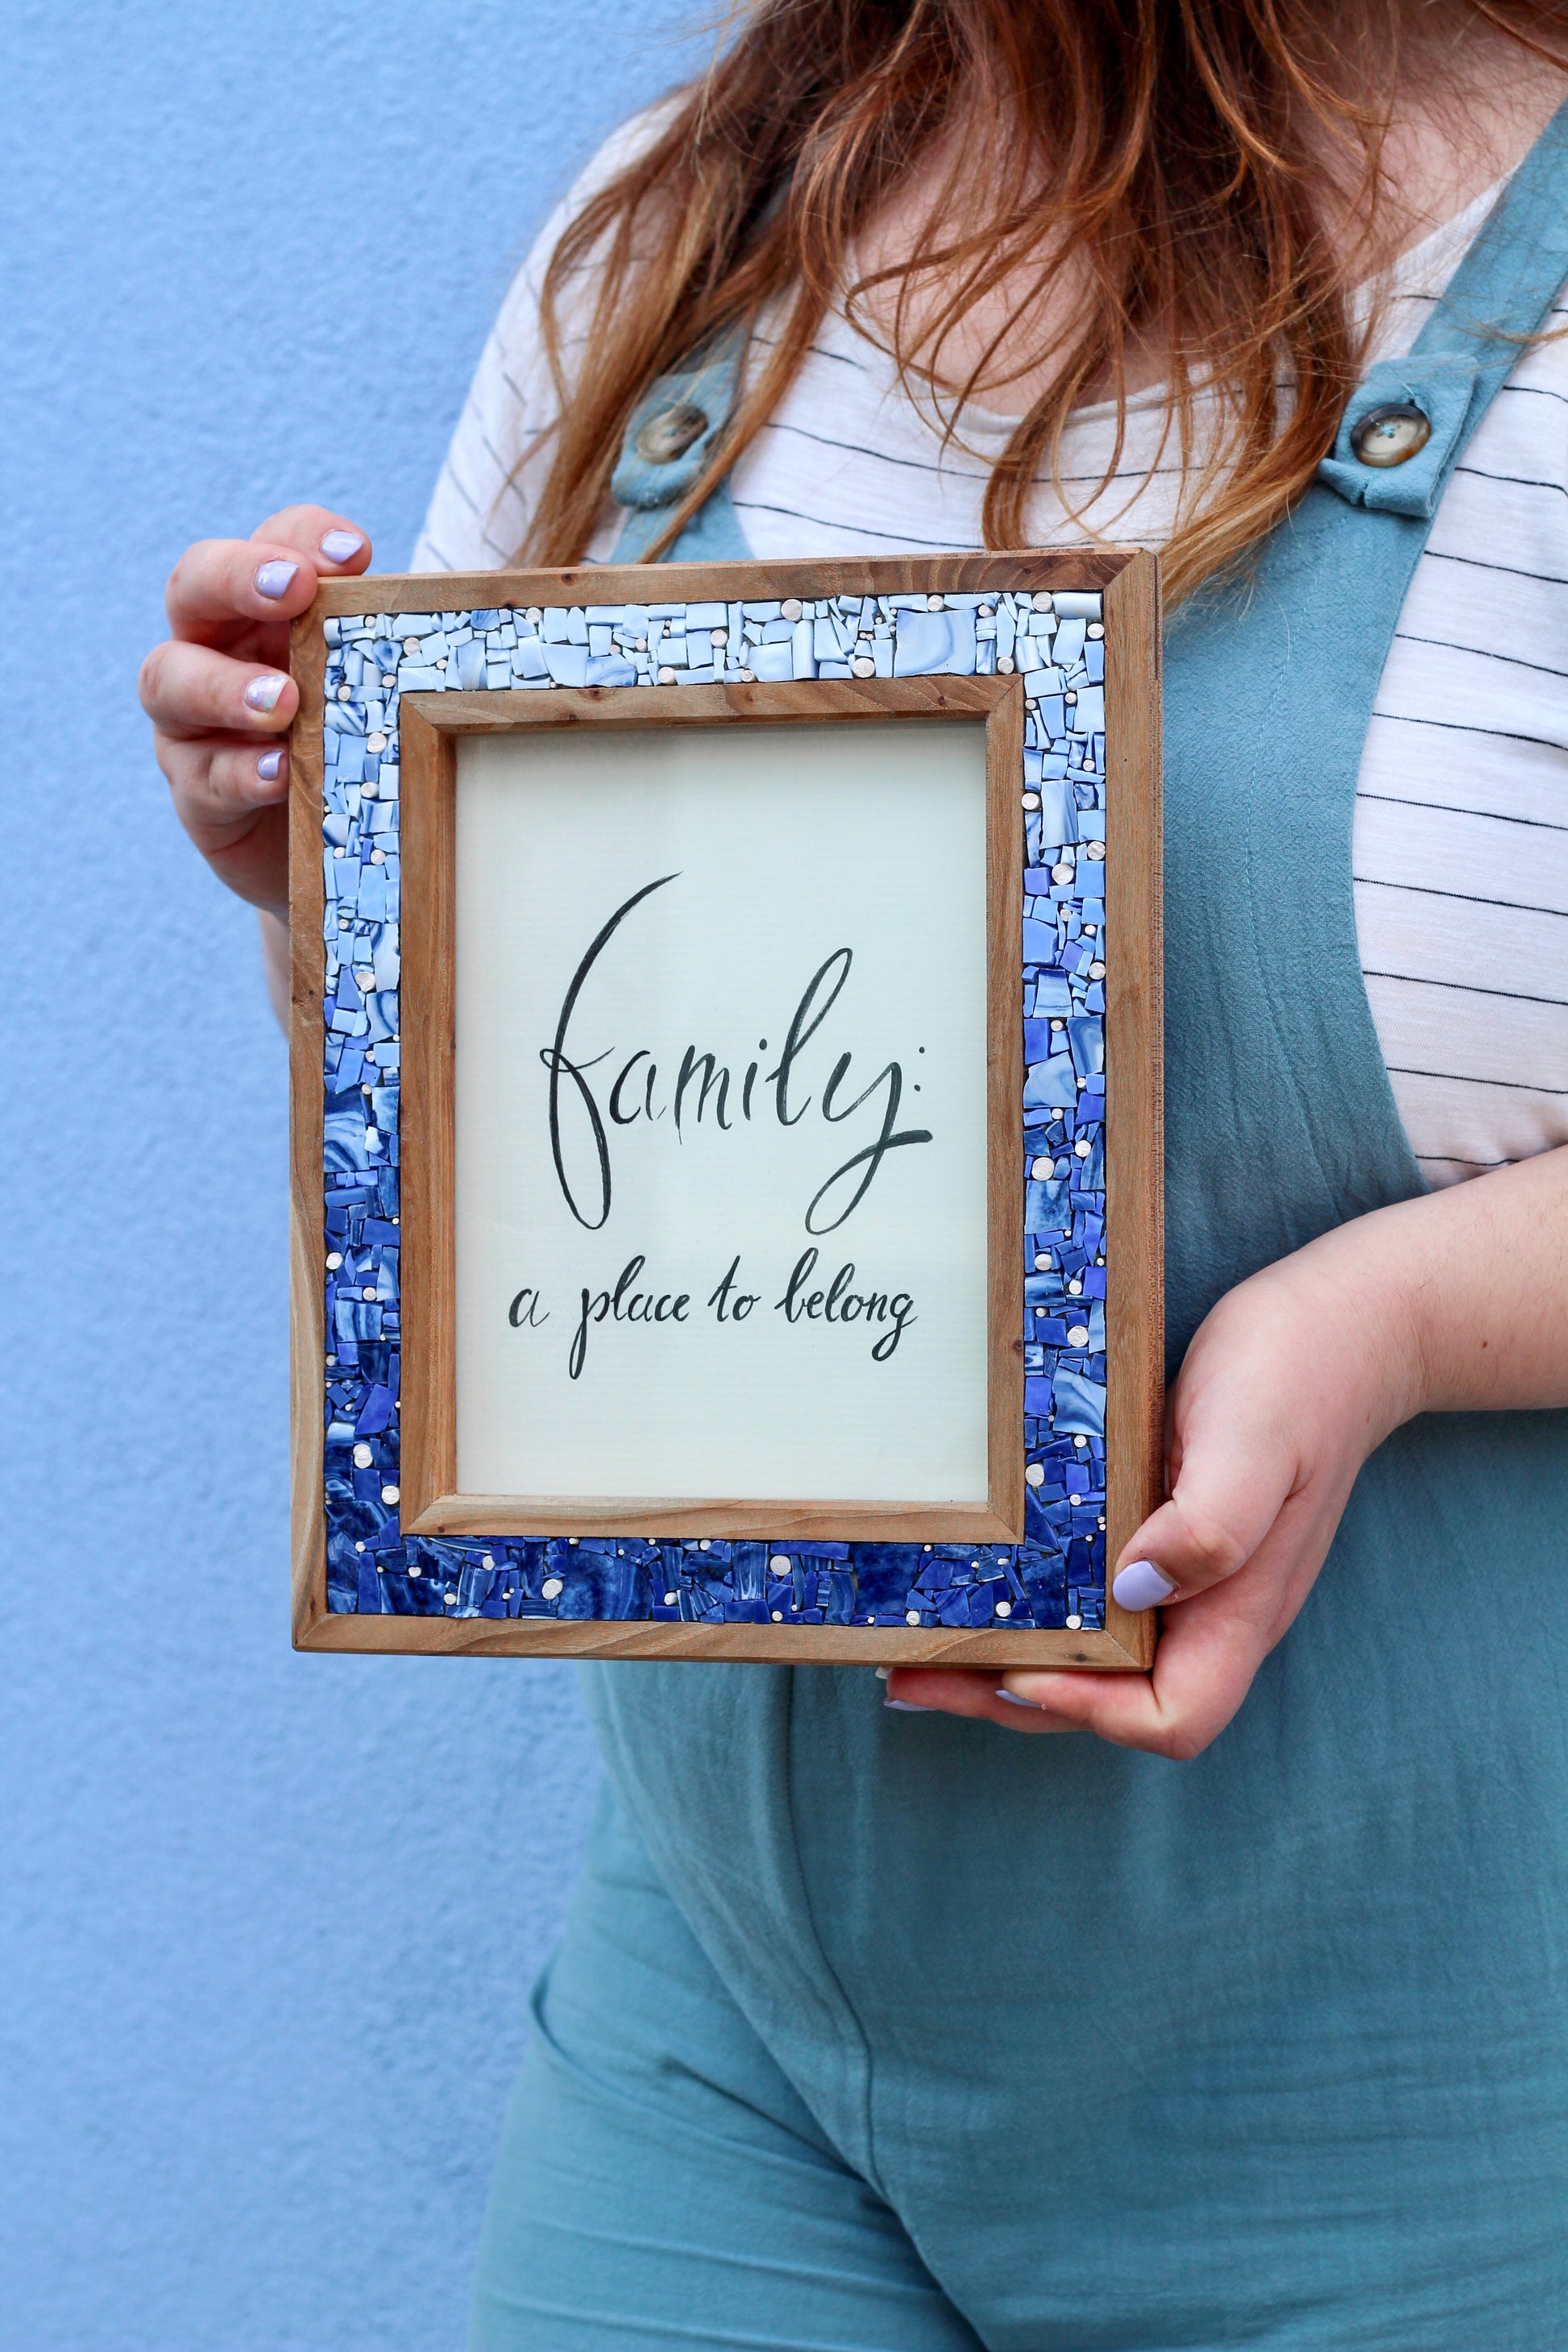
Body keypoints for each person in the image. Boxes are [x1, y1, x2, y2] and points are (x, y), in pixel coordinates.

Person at [141, 4, 1568, 2342]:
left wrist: (1384, 1324)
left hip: (1459, 2098)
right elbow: (477, 1145)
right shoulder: (675, 239)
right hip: (733, 2052)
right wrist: (325, 885)